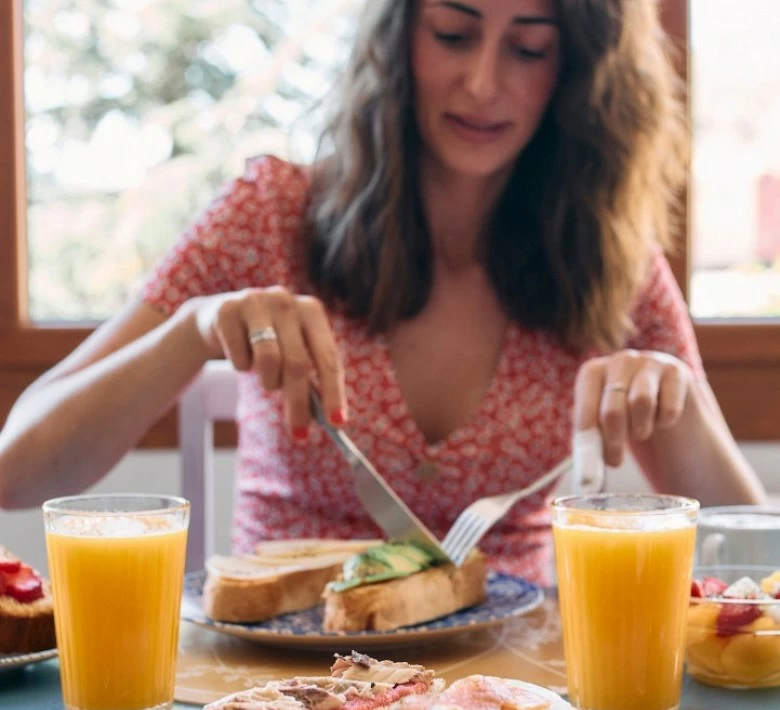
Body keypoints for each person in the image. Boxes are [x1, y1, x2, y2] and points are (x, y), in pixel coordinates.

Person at [0, 0, 765, 583]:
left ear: (578, 73)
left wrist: (680, 399)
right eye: (453, 35)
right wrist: (192, 331)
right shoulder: (269, 213)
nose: (483, 83)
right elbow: (16, 471)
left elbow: (751, 558)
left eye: (529, 48)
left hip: (520, 700)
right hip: (278, 690)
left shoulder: (610, 262)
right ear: (397, 37)